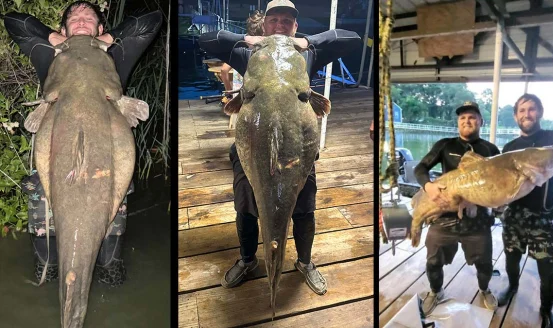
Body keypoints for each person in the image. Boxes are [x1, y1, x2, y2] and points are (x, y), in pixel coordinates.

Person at [199, 0, 361, 295]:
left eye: (287, 21)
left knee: (303, 208)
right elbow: (206, 38)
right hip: (252, 148)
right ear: (264, 25)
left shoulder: (308, 51)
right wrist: (246, 38)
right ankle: (248, 260)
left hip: (298, 150)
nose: (280, 26)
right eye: (274, 20)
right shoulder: (246, 52)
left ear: (296, 27)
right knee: (246, 208)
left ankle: (305, 262)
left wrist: (309, 41)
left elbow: (351, 39)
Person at [4, 1, 162, 286]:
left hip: (107, 170)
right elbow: (14, 21)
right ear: (62, 29)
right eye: (73, 18)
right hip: (53, 167)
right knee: (49, 269)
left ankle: (108, 282)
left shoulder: (114, 52)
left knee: (109, 269)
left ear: (100, 28)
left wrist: (108, 40)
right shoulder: (50, 53)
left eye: (88, 17)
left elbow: (152, 19)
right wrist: (53, 39)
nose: (80, 20)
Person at [498, 94, 553, 328]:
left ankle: (546, 310)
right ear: (515, 116)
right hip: (514, 217)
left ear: (540, 112)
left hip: (546, 220)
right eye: (522, 110)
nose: (527, 114)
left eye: (532, 109)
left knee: (548, 273)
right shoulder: (509, 148)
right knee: (511, 260)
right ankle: (512, 286)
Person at [413, 101, 500, 315]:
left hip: (477, 219)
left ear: (480, 121)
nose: (467, 121)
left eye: (472, 117)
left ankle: (484, 289)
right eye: (463, 118)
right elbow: (420, 168)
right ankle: (435, 291)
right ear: (458, 122)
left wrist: (482, 199)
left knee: (485, 263)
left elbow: (497, 183)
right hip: (444, 216)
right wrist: (429, 186)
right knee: (433, 261)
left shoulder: (491, 150)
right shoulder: (445, 145)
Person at [220, 10, 264, 107]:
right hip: (257, 98)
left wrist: (229, 92)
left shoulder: (241, 48)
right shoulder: (264, 51)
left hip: (239, 97)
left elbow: (224, 70)